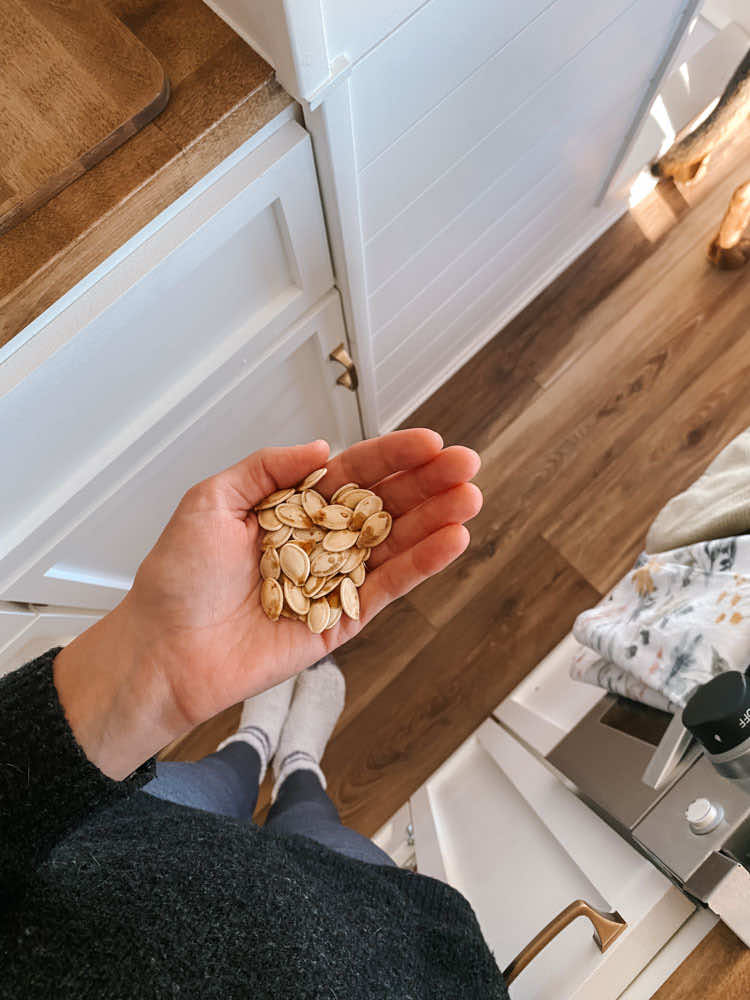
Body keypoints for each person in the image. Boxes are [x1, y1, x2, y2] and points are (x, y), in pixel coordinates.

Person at [1, 429, 508, 998]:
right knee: (314, 823)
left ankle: (256, 741)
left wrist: (144, 669)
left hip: (121, 852)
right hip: (385, 950)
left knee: (222, 777)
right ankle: (296, 762)